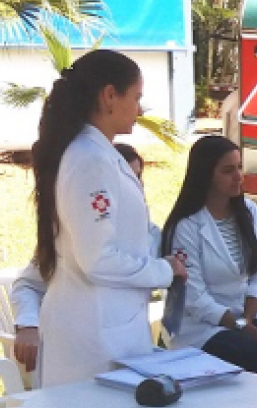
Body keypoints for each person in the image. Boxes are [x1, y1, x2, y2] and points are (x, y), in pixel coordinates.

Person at [30, 49, 187, 408]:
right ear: (109, 96)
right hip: (92, 330)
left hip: (109, 324)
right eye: (137, 97)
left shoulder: (95, 154)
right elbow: (98, 257)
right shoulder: (92, 159)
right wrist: (163, 271)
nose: (140, 109)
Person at [160, 135, 257, 380]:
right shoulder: (186, 226)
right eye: (228, 170)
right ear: (206, 174)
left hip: (244, 315)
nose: (239, 176)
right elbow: (194, 298)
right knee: (247, 353)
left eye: (239, 167)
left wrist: (247, 322)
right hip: (202, 325)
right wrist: (249, 331)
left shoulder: (249, 212)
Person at [12, 143, 155, 376]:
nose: (136, 187)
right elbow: (28, 284)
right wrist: (27, 324)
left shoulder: (151, 235)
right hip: (82, 350)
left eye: (138, 178)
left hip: (132, 347)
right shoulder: (71, 236)